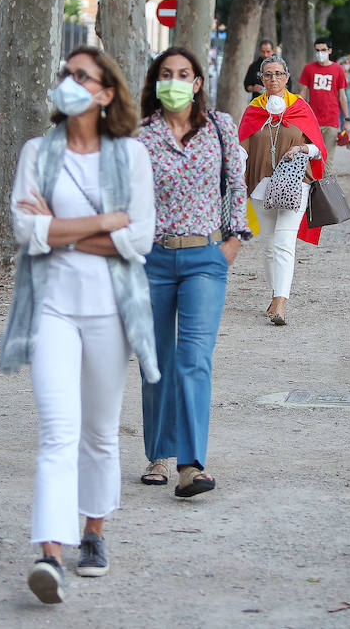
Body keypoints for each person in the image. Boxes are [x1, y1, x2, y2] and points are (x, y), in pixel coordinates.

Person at [1, 45, 157, 604]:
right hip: (51, 308)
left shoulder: (131, 157)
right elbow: (24, 230)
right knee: (57, 433)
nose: (70, 82)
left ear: (107, 93)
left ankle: (94, 532)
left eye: (82, 76)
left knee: (98, 431)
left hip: (110, 312)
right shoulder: (36, 153)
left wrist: (61, 229)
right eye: (66, 74)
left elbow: (139, 238)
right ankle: (50, 554)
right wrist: (102, 225)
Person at [134, 47, 250, 498]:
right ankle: (159, 454)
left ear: (198, 82)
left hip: (206, 258)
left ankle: (190, 464)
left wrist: (234, 241)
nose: (175, 81)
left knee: (193, 359)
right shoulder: (139, 136)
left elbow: (236, 183)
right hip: (152, 260)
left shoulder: (220, 128)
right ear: (155, 81)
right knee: (156, 360)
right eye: (167, 74)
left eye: (184, 74)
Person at [239, 55, 326, 326]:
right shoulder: (254, 109)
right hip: (260, 185)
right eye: (268, 74)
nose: (273, 79)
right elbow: (241, 147)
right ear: (261, 79)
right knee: (267, 244)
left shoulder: (301, 107)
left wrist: (301, 148)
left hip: (294, 184)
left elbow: (318, 149)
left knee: (284, 242)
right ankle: (275, 292)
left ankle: (280, 301)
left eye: (278, 74)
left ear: (287, 77)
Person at [297, 37, 348, 170]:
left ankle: (325, 190)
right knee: (309, 157)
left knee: (327, 161)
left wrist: (347, 119)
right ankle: (310, 189)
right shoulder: (309, 68)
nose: (320, 53)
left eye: (323, 50)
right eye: (317, 50)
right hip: (312, 120)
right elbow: (303, 93)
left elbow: (342, 96)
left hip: (331, 120)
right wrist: (297, 113)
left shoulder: (338, 69)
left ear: (330, 50)